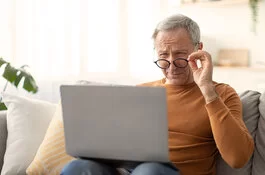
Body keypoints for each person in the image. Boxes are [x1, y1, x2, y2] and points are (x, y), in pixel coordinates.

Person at [61, 14, 254, 175]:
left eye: (180, 55)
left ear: (198, 49)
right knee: (78, 167)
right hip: (132, 171)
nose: (171, 65)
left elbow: (237, 158)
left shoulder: (221, 93)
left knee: (150, 170)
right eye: (163, 56)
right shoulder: (141, 92)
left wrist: (207, 90)